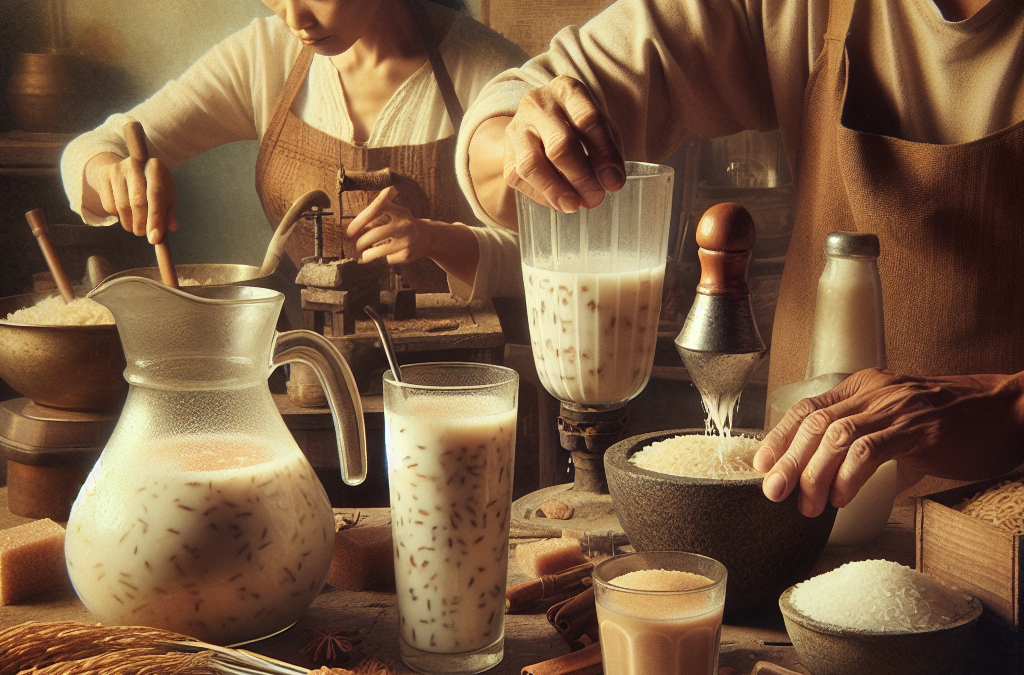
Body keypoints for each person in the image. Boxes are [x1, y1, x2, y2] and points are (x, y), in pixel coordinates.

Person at [454, 0, 1024, 516]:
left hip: (1003, 526)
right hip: (804, 510)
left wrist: (1006, 408)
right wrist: (522, 141)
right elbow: (513, 122)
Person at [61, 0, 528, 301]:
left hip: (463, 385)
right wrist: (112, 176)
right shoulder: (267, 55)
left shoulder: (491, 73)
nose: (293, 18)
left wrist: (438, 240)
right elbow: (94, 146)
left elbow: (549, 257)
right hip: (303, 370)